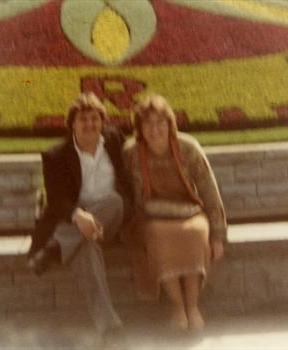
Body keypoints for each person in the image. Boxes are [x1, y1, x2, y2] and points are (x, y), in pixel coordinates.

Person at [27, 92, 132, 338]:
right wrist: (78, 216)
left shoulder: (115, 141)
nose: (89, 124)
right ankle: (109, 328)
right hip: (77, 225)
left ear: (103, 122)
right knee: (86, 248)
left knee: (115, 201)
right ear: (72, 124)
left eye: (94, 118)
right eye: (82, 119)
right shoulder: (56, 156)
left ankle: (56, 246)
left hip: (113, 220)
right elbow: (56, 201)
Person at [122, 94, 227, 332]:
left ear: (170, 124)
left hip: (190, 213)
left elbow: (210, 192)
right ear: (139, 129)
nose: (154, 129)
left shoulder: (188, 148)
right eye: (147, 124)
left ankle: (193, 306)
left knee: (194, 234)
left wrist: (218, 236)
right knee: (159, 236)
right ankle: (177, 307)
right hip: (151, 217)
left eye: (160, 123)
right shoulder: (130, 153)